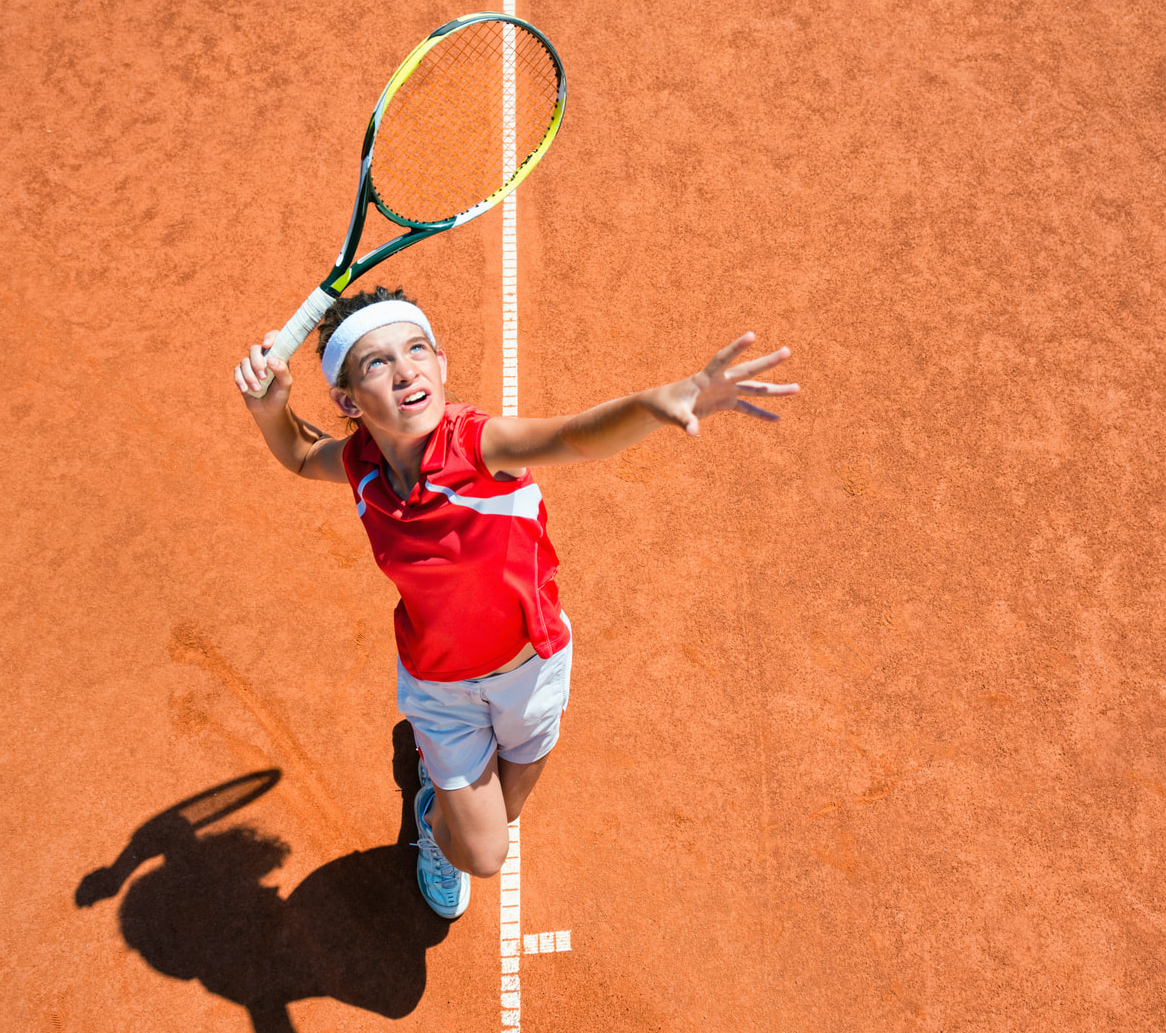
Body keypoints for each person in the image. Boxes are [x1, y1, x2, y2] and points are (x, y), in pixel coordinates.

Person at [233, 287, 797, 918]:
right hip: (440, 685)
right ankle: (434, 809)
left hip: (530, 670)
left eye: (417, 350)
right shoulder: (362, 463)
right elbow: (305, 454)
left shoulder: (480, 447)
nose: (406, 371)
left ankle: (446, 789)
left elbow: (575, 438)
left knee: (506, 805)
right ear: (347, 401)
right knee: (484, 852)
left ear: (442, 364)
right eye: (377, 364)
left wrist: (659, 402)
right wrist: (270, 409)